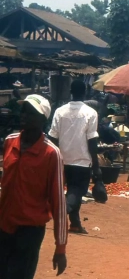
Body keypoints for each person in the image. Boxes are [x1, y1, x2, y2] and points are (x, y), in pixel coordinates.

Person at [0, 95, 67, 279]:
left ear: (43, 120)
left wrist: (60, 248)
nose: (24, 116)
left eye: (31, 113)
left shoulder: (51, 154)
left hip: (29, 231)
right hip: (4, 226)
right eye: (24, 111)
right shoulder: (10, 142)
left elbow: (59, 203)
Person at [48, 80, 99, 235]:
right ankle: (63, 210)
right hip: (81, 161)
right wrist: (96, 166)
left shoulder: (59, 111)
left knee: (72, 191)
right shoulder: (91, 113)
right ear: (85, 93)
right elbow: (92, 141)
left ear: (70, 91)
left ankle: (75, 224)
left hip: (61, 159)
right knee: (76, 191)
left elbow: (53, 138)